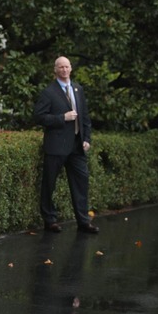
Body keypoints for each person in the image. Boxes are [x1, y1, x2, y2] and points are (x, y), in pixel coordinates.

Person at [34, 55, 99, 234]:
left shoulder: (78, 89)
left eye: (67, 66)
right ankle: (50, 220)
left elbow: (85, 117)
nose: (64, 70)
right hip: (56, 146)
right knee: (49, 185)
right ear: (55, 70)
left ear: (71, 68)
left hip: (77, 146)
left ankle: (83, 221)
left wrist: (87, 139)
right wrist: (62, 118)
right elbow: (39, 116)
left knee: (81, 184)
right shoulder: (48, 92)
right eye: (60, 67)